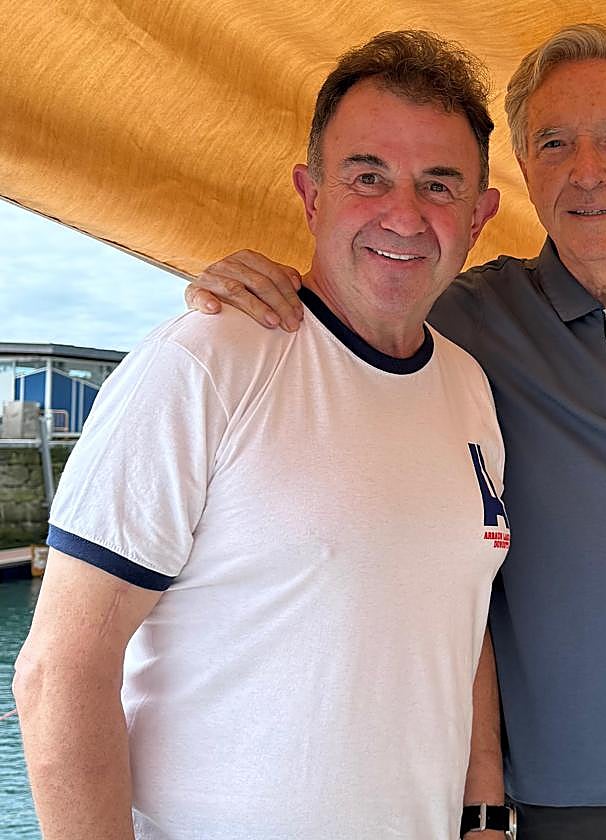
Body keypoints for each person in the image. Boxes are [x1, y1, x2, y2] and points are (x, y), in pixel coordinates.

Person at [185, 23, 606, 840]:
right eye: (554, 143)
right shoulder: (463, 317)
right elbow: (357, 315)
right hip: (553, 791)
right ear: (522, 172)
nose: (589, 171)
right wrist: (261, 286)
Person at [14, 31, 513, 840]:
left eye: (440, 184)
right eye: (367, 176)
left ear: (480, 216)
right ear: (311, 195)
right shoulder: (207, 360)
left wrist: (484, 813)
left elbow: (460, 613)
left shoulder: (469, 389)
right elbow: (59, 672)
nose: (404, 213)